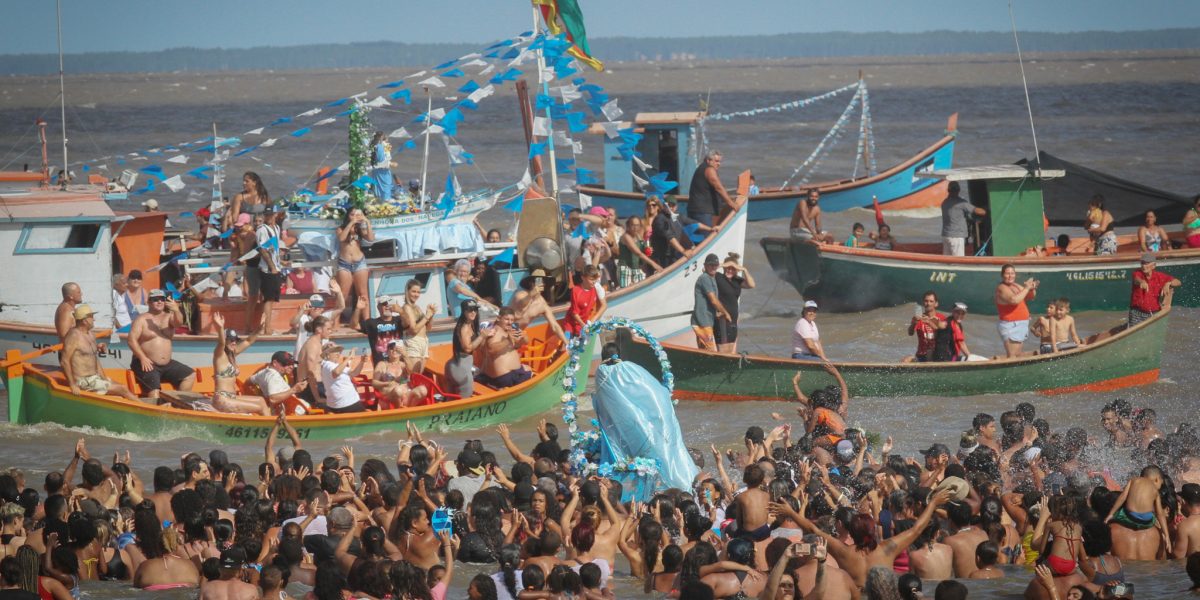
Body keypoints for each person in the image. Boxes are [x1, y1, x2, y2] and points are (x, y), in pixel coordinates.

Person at [128, 289, 195, 400]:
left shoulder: (169, 317)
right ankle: (156, 415)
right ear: (149, 302)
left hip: (166, 365)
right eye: (155, 300)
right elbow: (131, 340)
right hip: (146, 363)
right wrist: (142, 358)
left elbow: (178, 323)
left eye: (162, 299)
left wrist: (176, 310)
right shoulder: (141, 319)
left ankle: (178, 403)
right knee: (155, 391)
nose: (159, 302)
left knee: (189, 375)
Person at [61, 304, 137, 401]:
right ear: (84, 320)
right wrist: (72, 384)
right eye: (91, 317)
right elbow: (64, 360)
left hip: (95, 378)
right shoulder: (73, 336)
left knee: (122, 386)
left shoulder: (90, 334)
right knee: (123, 389)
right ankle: (148, 410)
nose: (94, 320)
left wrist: (98, 347)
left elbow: (89, 354)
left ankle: (141, 407)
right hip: (84, 382)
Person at [209, 312, 271, 415]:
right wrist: (220, 328)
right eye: (231, 340)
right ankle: (270, 428)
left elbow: (249, 341)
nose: (234, 343)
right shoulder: (219, 355)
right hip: (222, 399)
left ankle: (269, 426)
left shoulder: (232, 354)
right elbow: (221, 342)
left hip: (232, 397)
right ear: (226, 340)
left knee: (261, 400)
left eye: (235, 340)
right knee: (260, 408)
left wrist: (259, 328)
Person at [1104, 465, 1172, 557]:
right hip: (1147, 520)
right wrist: (1167, 536)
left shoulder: (1133, 480)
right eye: (1161, 484)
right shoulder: (1155, 491)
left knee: (1120, 513)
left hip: (1130, 516)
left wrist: (1111, 514)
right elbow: (1160, 514)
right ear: (1156, 479)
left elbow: (1123, 497)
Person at [334, 207, 374, 329]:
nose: (355, 216)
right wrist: (351, 223)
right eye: (352, 214)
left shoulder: (359, 230)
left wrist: (366, 222)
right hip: (344, 263)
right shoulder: (341, 228)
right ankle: (336, 322)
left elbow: (371, 239)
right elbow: (341, 238)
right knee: (343, 294)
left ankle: (366, 322)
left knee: (363, 294)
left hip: (359, 263)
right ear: (348, 216)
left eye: (357, 214)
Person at [478, 308, 533, 389]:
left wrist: (523, 336)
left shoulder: (511, 329)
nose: (510, 322)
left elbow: (525, 342)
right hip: (504, 378)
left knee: (527, 368)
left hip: (506, 376)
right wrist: (508, 340)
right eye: (506, 319)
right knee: (529, 372)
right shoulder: (494, 331)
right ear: (498, 318)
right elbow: (491, 350)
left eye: (512, 320)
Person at [508, 270, 567, 344]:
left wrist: (566, 342)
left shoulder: (542, 303)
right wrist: (531, 294)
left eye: (543, 281)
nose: (541, 283)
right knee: (521, 339)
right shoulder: (520, 295)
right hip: (508, 328)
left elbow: (555, 326)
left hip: (519, 333)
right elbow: (520, 306)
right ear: (531, 283)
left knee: (525, 340)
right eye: (538, 281)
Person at [994, 264, 1038, 358]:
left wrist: (1032, 287)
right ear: (1002, 275)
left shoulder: (1016, 285)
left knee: (1017, 355)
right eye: (1007, 273)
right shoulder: (1001, 288)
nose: (1010, 276)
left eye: (1012, 273)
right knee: (1012, 355)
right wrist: (1026, 288)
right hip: (1011, 325)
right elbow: (1013, 300)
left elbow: (1031, 296)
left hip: (1021, 324)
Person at [714, 253, 755, 353]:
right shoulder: (718, 277)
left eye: (733, 269)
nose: (730, 270)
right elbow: (705, 270)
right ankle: (722, 367)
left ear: (736, 270)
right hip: (722, 318)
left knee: (731, 346)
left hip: (733, 319)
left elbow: (752, 285)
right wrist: (724, 264)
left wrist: (744, 269)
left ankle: (728, 367)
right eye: (728, 268)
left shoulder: (737, 280)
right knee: (723, 348)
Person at [687, 150, 739, 226]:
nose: (719, 164)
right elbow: (719, 188)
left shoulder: (701, 168)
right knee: (706, 236)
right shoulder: (709, 169)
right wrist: (732, 204)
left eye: (720, 162)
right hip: (702, 212)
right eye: (716, 161)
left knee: (698, 237)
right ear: (708, 160)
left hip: (695, 209)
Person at [397, 279, 439, 375]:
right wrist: (427, 316)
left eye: (418, 292)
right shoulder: (406, 307)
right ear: (407, 292)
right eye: (414, 291)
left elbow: (427, 328)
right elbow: (414, 330)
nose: (416, 294)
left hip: (423, 342)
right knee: (413, 375)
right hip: (413, 341)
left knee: (419, 375)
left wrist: (431, 315)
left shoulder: (417, 307)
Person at [255, 206, 286, 334]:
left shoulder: (277, 228)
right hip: (267, 269)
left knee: (273, 298)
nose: (268, 217)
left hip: (276, 267)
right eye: (266, 215)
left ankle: (267, 326)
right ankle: (266, 327)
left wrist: (280, 262)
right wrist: (272, 266)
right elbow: (263, 249)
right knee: (268, 298)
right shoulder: (262, 230)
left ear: (275, 214)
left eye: (270, 214)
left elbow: (275, 248)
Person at [1128, 252, 1180, 326]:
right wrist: (1142, 282)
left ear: (1154, 266)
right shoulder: (1137, 273)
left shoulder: (1159, 276)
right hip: (1137, 313)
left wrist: (1168, 283)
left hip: (1153, 313)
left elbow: (1178, 282)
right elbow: (1136, 279)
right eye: (1142, 263)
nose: (1143, 266)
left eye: (1147, 263)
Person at [291, 285, 345, 356]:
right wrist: (302, 311)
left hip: (319, 359)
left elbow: (341, 308)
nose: (316, 308)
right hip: (301, 359)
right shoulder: (303, 318)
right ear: (309, 306)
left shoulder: (325, 317)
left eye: (319, 306)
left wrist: (339, 293)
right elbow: (292, 323)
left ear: (323, 308)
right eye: (314, 305)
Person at [372, 341, 427, 409]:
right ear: (387, 351)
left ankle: (409, 410)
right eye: (391, 348)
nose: (394, 351)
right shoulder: (382, 364)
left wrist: (405, 355)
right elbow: (374, 382)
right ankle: (399, 411)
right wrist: (387, 384)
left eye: (397, 349)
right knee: (398, 390)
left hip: (406, 395)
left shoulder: (403, 365)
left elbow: (412, 372)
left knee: (423, 390)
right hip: (391, 395)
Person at [691, 254, 730, 352]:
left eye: (715, 265)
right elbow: (713, 300)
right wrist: (726, 313)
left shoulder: (711, 278)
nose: (713, 267)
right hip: (702, 322)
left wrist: (717, 313)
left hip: (706, 321)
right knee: (711, 351)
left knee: (704, 351)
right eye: (710, 265)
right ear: (705, 265)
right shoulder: (705, 278)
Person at [446, 300, 484, 397]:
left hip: (455, 364)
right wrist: (482, 336)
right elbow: (467, 348)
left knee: (450, 399)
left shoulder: (470, 324)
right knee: (465, 400)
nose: (473, 312)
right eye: (470, 310)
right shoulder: (464, 327)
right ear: (464, 311)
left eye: (475, 309)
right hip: (461, 367)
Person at [940, 181, 986, 256]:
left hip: (946, 236)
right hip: (956, 237)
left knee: (947, 261)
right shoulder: (961, 203)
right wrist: (987, 210)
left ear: (948, 190)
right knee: (958, 261)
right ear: (958, 190)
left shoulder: (944, 202)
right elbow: (979, 212)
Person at [319, 345, 367, 413]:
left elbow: (354, 373)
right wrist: (349, 357)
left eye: (338, 351)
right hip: (347, 404)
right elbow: (336, 372)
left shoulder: (335, 365)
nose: (338, 353)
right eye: (334, 351)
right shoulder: (327, 365)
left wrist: (362, 362)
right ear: (327, 355)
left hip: (344, 403)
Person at [617, 216, 662, 287]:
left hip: (637, 268)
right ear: (628, 225)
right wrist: (655, 265)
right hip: (625, 268)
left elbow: (642, 251)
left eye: (637, 225)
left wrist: (647, 250)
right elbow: (638, 253)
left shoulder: (638, 236)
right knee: (626, 290)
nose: (635, 228)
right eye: (633, 225)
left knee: (643, 286)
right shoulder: (626, 237)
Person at [565, 265, 606, 338]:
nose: (593, 282)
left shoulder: (596, 287)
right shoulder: (576, 291)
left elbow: (604, 305)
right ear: (583, 278)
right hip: (571, 324)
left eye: (595, 279)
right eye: (591, 279)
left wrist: (592, 321)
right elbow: (574, 313)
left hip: (585, 323)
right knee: (566, 345)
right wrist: (583, 325)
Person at [360, 296, 401, 365]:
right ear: (378, 307)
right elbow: (354, 325)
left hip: (398, 366)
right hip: (381, 367)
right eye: (384, 304)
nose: (387, 306)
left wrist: (400, 310)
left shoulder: (399, 320)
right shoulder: (371, 322)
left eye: (390, 304)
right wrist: (358, 309)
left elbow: (412, 325)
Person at [906, 291, 946, 362]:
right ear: (923, 303)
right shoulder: (918, 318)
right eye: (926, 301)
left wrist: (929, 322)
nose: (928, 303)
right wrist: (914, 323)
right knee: (906, 360)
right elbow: (910, 333)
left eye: (931, 301)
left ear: (936, 304)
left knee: (929, 353)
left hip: (936, 354)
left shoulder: (941, 318)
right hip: (921, 354)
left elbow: (943, 335)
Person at [368, 132, 395, 200]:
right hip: (382, 171)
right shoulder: (379, 147)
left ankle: (380, 199)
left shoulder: (375, 146)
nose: (387, 141)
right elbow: (381, 161)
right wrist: (391, 164)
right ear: (381, 138)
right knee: (385, 186)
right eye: (385, 139)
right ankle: (384, 200)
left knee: (379, 186)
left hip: (378, 170)